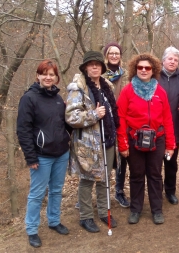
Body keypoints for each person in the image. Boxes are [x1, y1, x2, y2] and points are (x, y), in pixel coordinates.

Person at [17, 60, 71, 248]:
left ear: (56, 78)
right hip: (41, 156)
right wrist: (30, 157)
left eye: (52, 74)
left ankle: (54, 221)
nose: (48, 77)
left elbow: (64, 124)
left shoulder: (58, 98)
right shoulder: (29, 98)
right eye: (44, 74)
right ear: (38, 76)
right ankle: (32, 229)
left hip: (61, 153)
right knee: (37, 194)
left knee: (56, 190)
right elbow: (23, 130)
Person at [117, 53, 176, 225]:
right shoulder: (127, 91)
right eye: (140, 67)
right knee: (136, 175)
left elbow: (167, 119)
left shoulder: (160, 91)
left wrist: (170, 144)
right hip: (134, 139)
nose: (143, 70)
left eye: (147, 68)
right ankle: (136, 209)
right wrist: (123, 143)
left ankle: (156, 210)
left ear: (153, 70)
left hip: (157, 139)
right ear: (135, 69)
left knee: (155, 175)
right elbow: (120, 118)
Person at [66, 51, 118, 233]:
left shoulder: (106, 86)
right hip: (88, 143)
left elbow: (112, 112)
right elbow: (71, 117)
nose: (95, 67)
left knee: (105, 177)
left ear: (102, 68)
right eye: (91, 64)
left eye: (98, 64)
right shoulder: (78, 88)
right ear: (86, 67)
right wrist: (94, 115)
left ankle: (104, 211)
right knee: (87, 179)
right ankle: (86, 216)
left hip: (108, 139)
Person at [101, 42, 130, 208]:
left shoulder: (126, 75)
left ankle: (119, 191)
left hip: (123, 121)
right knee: (102, 158)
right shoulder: (99, 75)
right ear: (106, 55)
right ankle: (99, 192)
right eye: (111, 53)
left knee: (122, 157)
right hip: (105, 121)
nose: (114, 56)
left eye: (117, 53)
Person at [159, 46, 179, 205]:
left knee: (171, 162)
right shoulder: (154, 76)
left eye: (176, 60)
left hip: (174, 126)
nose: (173, 62)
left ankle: (170, 191)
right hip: (155, 128)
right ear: (163, 60)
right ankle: (156, 191)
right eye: (170, 59)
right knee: (155, 164)